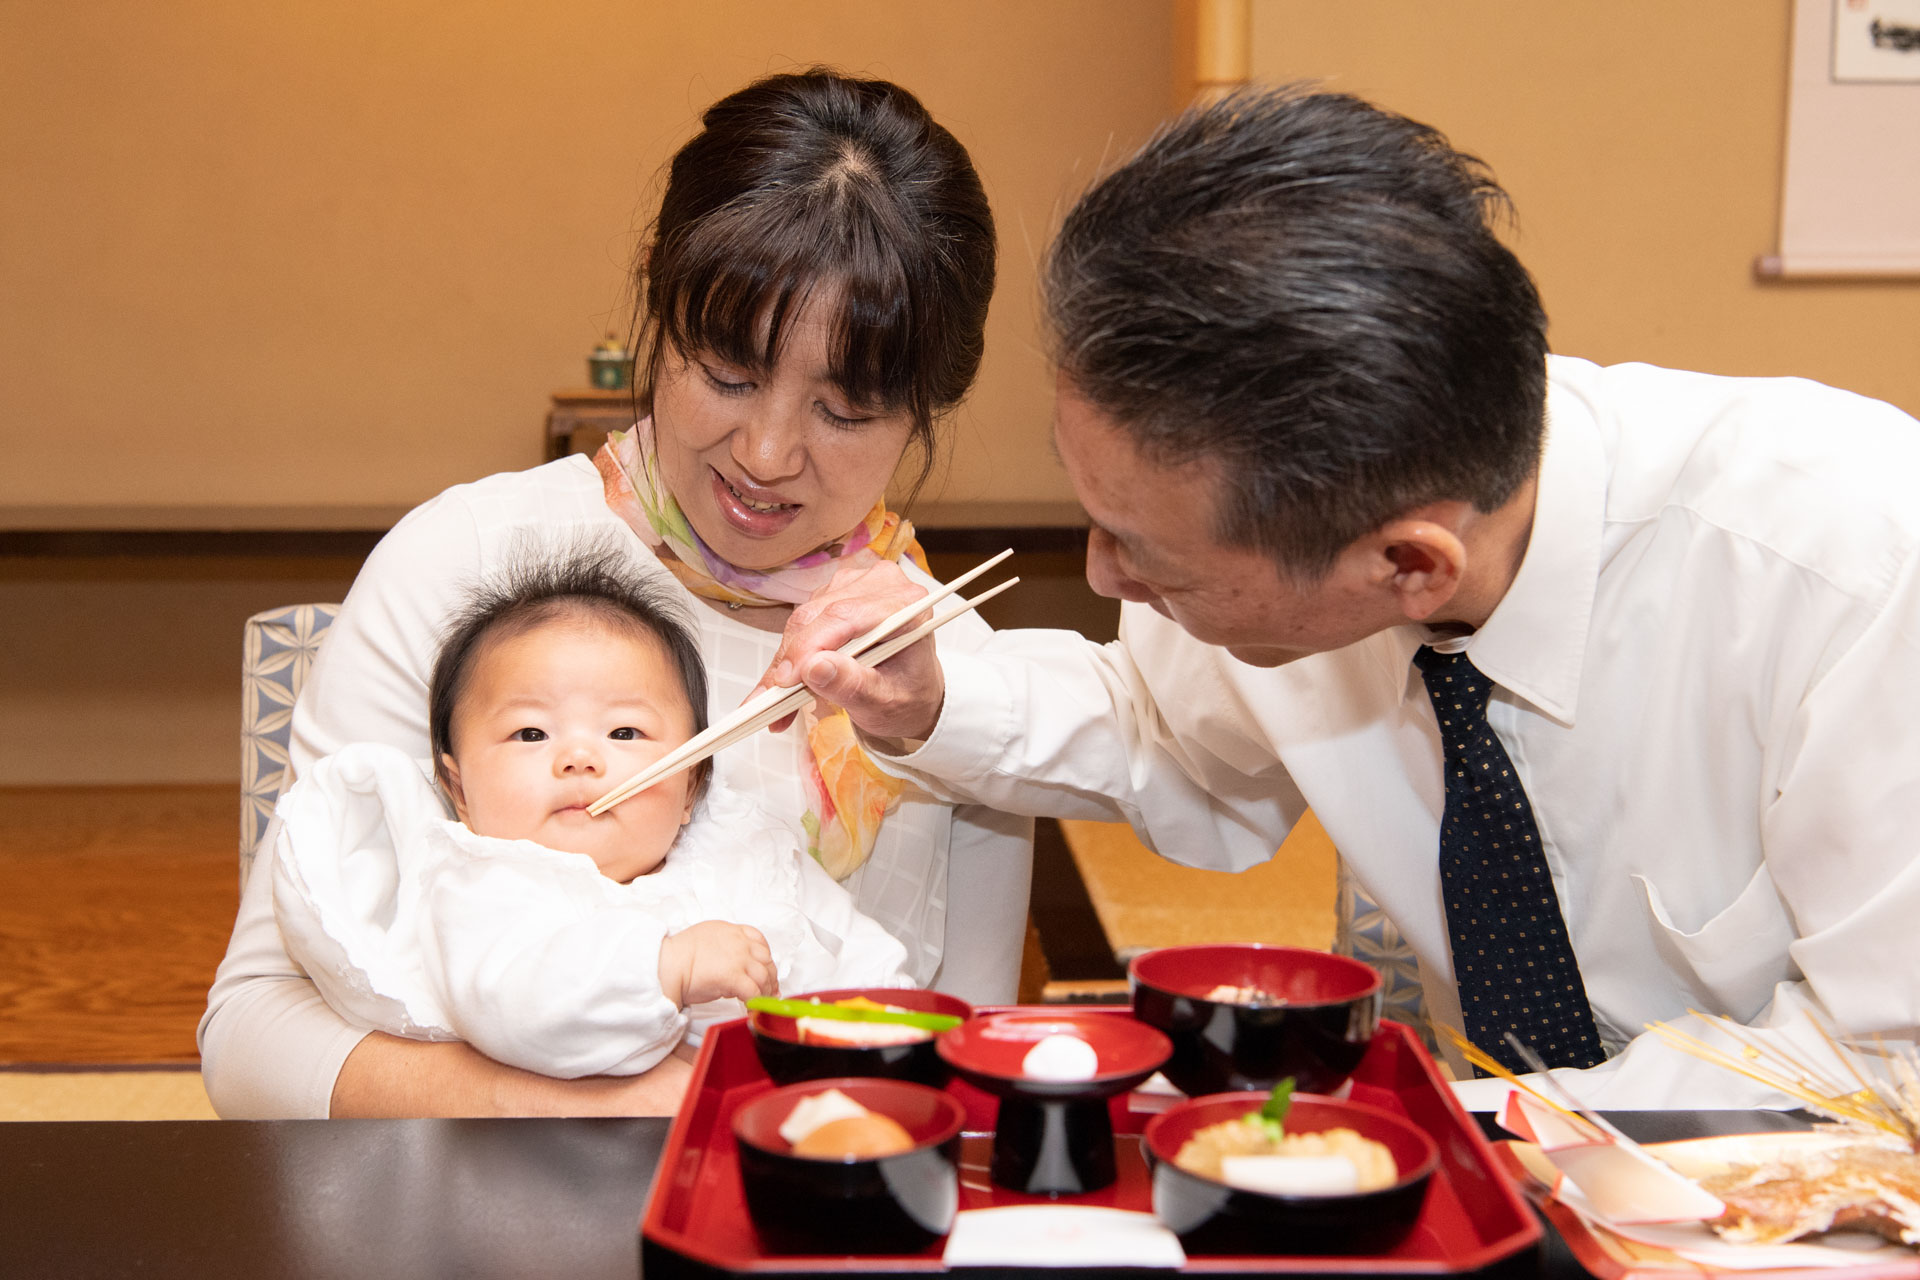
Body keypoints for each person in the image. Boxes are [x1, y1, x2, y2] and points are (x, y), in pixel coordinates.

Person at [764, 87, 1920, 1108]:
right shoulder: (1329, 510)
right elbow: (1165, 731)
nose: (1104, 573)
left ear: (1408, 568)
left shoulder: (1851, 567)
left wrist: (1506, 1130)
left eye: (1144, 553)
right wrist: (924, 699)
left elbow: (1893, 1054)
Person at [200, 68, 1031, 1118]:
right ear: (657, 291)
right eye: (728, 371)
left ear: (928, 402)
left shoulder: (952, 675)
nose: (768, 454)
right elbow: (253, 1036)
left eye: (847, 409)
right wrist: (591, 1113)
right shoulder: (463, 561)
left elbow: (966, 1052)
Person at [271, 546, 910, 1079]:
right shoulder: (480, 882)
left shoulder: (742, 848)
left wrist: (895, 1031)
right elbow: (517, 1007)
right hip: (546, 1173)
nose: (579, 758)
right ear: (458, 789)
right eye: (530, 734)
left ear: (692, 789)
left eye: (625, 733)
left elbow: (855, 957)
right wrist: (667, 967)